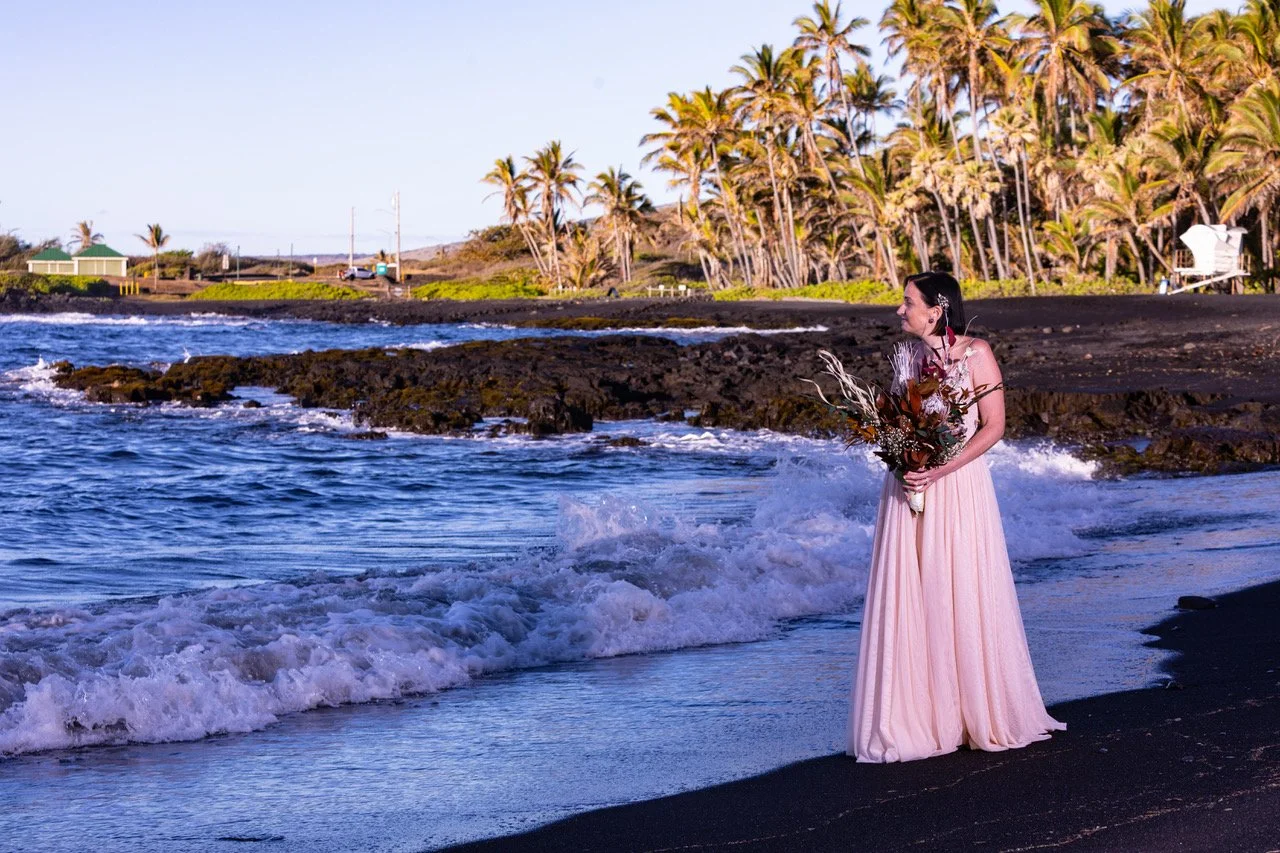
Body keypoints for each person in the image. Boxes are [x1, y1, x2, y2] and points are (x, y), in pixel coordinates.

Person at [848, 271, 1066, 763]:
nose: (898, 311)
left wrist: (941, 468)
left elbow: (994, 426)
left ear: (936, 309)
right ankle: (919, 716)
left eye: (907, 302)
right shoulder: (910, 356)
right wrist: (903, 459)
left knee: (959, 587)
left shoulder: (977, 353)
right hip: (911, 484)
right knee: (915, 594)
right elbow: (899, 421)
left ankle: (975, 711)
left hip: (958, 485)